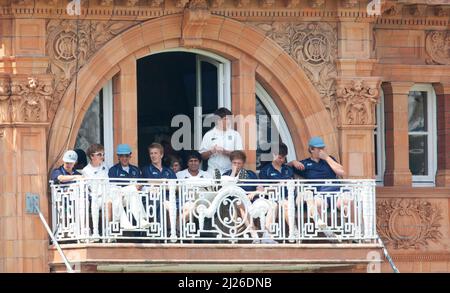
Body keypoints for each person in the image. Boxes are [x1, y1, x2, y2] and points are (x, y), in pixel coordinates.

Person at [290, 136, 346, 238]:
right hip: (320, 194)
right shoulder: (305, 163)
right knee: (318, 203)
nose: (322, 151)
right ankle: (327, 232)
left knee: (348, 200)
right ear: (311, 149)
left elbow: (342, 172)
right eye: (319, 149)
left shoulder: (330, 159)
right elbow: (285, 167)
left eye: (323, 148)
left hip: (337, 192)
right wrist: (293, 162)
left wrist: (327, 158)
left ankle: (358, 231)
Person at [223, 151, 277, 244]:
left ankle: (267, 235)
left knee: (274, 205)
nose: (236, 165)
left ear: (243, 163)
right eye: (234, 163)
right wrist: (233, 174)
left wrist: (253, 193)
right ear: (231, 163)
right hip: (236, 202)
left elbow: (260, 189)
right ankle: (254, 234)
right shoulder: (226, 175)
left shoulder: (250, 174)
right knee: (240, 203)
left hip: (253, 201)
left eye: (239, 163)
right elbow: (225, 190)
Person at [259, 143, 298, 237]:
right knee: (285, 204)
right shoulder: (265, 170)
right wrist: (277, 185)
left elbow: (294, 183)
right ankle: (294, 231)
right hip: (274, 199)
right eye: (280, 157)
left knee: (287, 203)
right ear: (273, 154)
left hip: (291, 197)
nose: (282, 160)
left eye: (284, 158)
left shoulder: (288, 169)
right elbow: (263, 189)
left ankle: (294, 232)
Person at [108, 144, 149, 230]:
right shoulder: (113, 170)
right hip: (118, 198)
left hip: (131, 198)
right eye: (122, 156)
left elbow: (140, 184)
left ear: (130, 156)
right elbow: (113, 188)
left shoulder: (135, 169)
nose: (124, 158)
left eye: (126, 155)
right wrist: (132, 187)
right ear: (118, 157)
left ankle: (135, 221)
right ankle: (140, 219)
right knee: (131, 189)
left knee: (133, 190)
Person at [142, 143, 177, 234]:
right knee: (162, 205)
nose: (153, 155)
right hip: (152, 199)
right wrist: (164, 182)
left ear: (161, 155)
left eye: (155, 153)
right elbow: (149, 183)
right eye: (151, 153)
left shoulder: (169, 171)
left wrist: (159, 183)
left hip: (169, 199)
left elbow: (176, 187)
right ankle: (160, 234)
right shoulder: (146, 169)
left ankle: (172, 232)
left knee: (172, 205)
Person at [199, 107, 243, 176]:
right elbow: (202, 156)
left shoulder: (235, 134)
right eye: (226, 119)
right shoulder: (209, 135)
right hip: (212, 172)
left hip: (230, 172)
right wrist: (211, 151)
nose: (229, 122)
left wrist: (224, 151)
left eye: (230, 119)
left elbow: (240, 156)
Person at [81, 144, 109, 240]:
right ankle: (96, 232)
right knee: (97, 203)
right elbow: (91, 187)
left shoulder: (105, 166)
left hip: (107, 194)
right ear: (92, 156)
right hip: (96, 197)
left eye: (103, 154)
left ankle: (108, 231)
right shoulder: (86, 170)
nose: (102, 157)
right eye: (100, 154)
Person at [176, 151, 212, 226]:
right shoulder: (179, 175)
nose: (193, 163)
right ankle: (178, 228)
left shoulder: (207, 175)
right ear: (187, 163)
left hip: (203, 203)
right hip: (185, 201)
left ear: (199, 162)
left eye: (196, 161)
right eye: (191, 161)